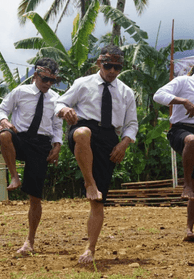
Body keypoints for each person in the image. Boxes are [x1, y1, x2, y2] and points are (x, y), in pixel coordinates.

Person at [55, 45, 137, 264]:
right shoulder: (82, 84)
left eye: (116, 67)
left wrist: (124, 144)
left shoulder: (126, 92)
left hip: (109, 139)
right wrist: (65, 110)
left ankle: (90, 249)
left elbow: (131, 124)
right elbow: (60, 101)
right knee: (83, 133)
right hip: (83, 128)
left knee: (98, 202)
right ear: (99, 63)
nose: (111, 71)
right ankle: (89, 183)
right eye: (107, 65)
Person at [0, 58, 63, 255]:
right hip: (21, 138)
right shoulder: (20, 91)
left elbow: (57, 125)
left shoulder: (56, 99)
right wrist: (5, 122)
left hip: (41, 144)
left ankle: (30, 241)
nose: (48, 84)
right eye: (45, 79)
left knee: (35, 197)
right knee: (4, 136)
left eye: (52, 80)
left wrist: (57, 145)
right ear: (35, 76)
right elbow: (1, 109)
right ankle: (14, 176)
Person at [153, 50, 194, 242]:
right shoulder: (184, 82)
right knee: (191, 140)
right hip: (180, 130)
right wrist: (183, 101)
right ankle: (186, 184)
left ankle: (189, 229)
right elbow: (159, 95)